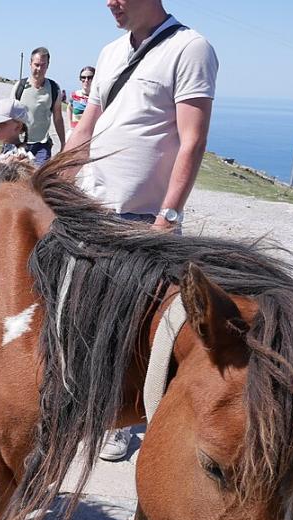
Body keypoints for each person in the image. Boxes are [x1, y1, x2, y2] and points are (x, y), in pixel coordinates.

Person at [62, 0, 218, 460]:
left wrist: (168, 216)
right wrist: (53, 184)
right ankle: (87, 407)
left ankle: (122, 421)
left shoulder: (190, 48)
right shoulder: (111, 51)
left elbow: (193, 139)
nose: (110, 2)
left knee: (134, 329)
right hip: (91, 207)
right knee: (82, 316)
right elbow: (86, 127)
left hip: (143, 218)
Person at [11, 46, 65, 166]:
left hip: (42, 145)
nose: (39, 69)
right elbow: (9, 115)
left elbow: (58, 118)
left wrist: (63, 143)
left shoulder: (54, 88)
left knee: (40, 175)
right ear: (30, 64)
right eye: (36, 65)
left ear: (48, 65)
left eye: (43, 65)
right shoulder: (19, 86)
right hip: (19, 143)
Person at [66, 66, 95, 133]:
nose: (86, 80)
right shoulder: (74, 95)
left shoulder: (97, 98)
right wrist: (70, 125)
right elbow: (69, 108)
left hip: (91, 134)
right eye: (83, 77)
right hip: (75, 132)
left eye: (90, 77)